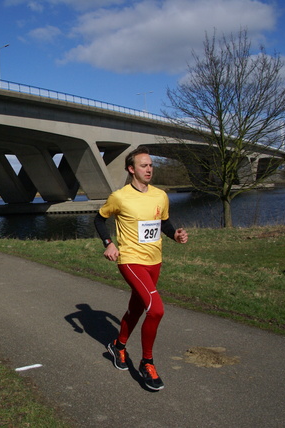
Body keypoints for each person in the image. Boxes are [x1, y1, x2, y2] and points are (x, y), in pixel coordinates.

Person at [94, 146, 188, 391]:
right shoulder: (120, 197)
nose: (149, 169)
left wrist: (174, 234)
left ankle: (118, 346)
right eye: (144, 165)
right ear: (131, 169)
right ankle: (148, 363)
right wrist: (108, 243)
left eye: (151, 165)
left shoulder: (160, 195)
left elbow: (163, 222)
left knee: (136, 308)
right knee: (155, 310)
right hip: (130, 260)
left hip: (154, 261)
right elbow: (99, 218)